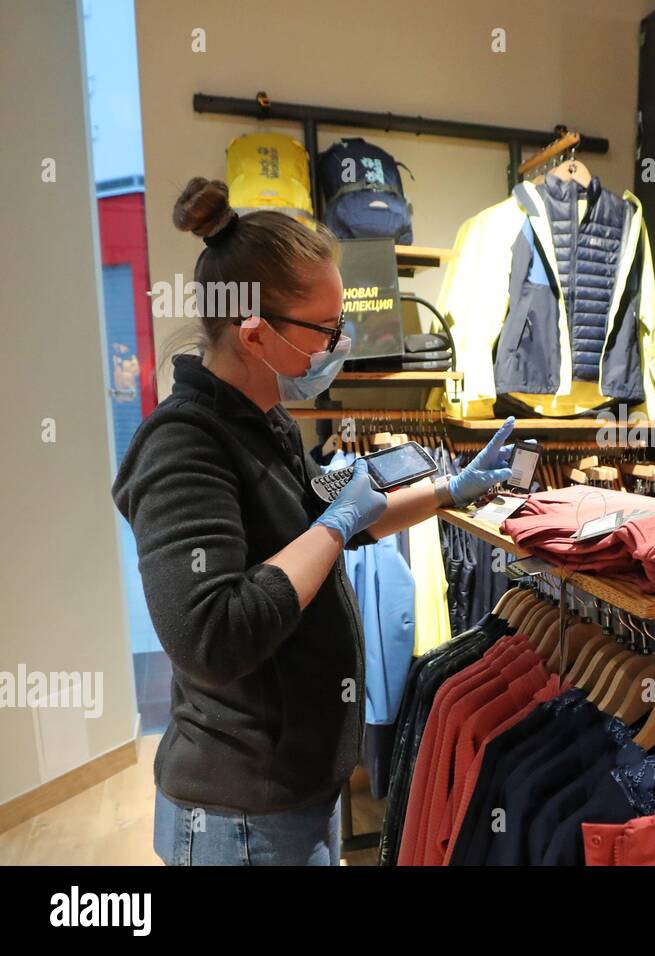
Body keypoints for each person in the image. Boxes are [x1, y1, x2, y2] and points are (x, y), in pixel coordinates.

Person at [113, 177, 513, 865]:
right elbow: (211, 634)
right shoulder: (184, 445)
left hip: (294, 797)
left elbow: (336, 524)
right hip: (238, 815)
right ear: (256, 332)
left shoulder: (264, 421)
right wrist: (332, 524)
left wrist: (450, 491)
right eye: (327, 330)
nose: (341, 342)